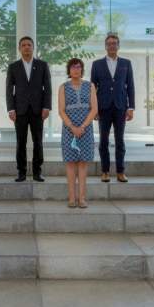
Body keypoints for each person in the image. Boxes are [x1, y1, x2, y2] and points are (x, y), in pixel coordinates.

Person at [6, 36, 52, 182]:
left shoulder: (42, 65)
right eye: (23, 45)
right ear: (19, 48)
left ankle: (38, 172)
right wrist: (11, 109)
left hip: (38, 110)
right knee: (21, 142)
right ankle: (21, 172)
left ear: (33, 47)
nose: (26, 47)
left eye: (29, 45)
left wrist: (47, 106)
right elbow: (9, 89)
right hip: (19, 110)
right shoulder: (13, 67)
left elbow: (48, 88)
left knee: (38, 141)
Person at [90, 33, 135, 183]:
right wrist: (94, 109)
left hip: (121, 106)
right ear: (105, 46)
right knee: (103, 140)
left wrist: (131, 107)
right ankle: (105, 171)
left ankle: (120, 171)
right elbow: (92, 88)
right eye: (109, 43)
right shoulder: (97, 64)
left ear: (118, 45)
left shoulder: (126, 63)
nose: (112, 46)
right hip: (103, 107)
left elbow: (131, 86)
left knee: (120, 140)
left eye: (114, 43)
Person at [59, 58, 98, 208]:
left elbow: (94, 109)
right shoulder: (63, 87)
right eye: (73, 67)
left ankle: (81, 198)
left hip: (85, 129)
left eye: (79, 67)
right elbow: (61, 110)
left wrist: (82, 126)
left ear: (82, 69)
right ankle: (71, 198)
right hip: (69, 130)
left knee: (83, 163)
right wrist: (72, 127)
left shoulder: (90, 86)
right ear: (69, 70)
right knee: (70, 163)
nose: (76, 69)